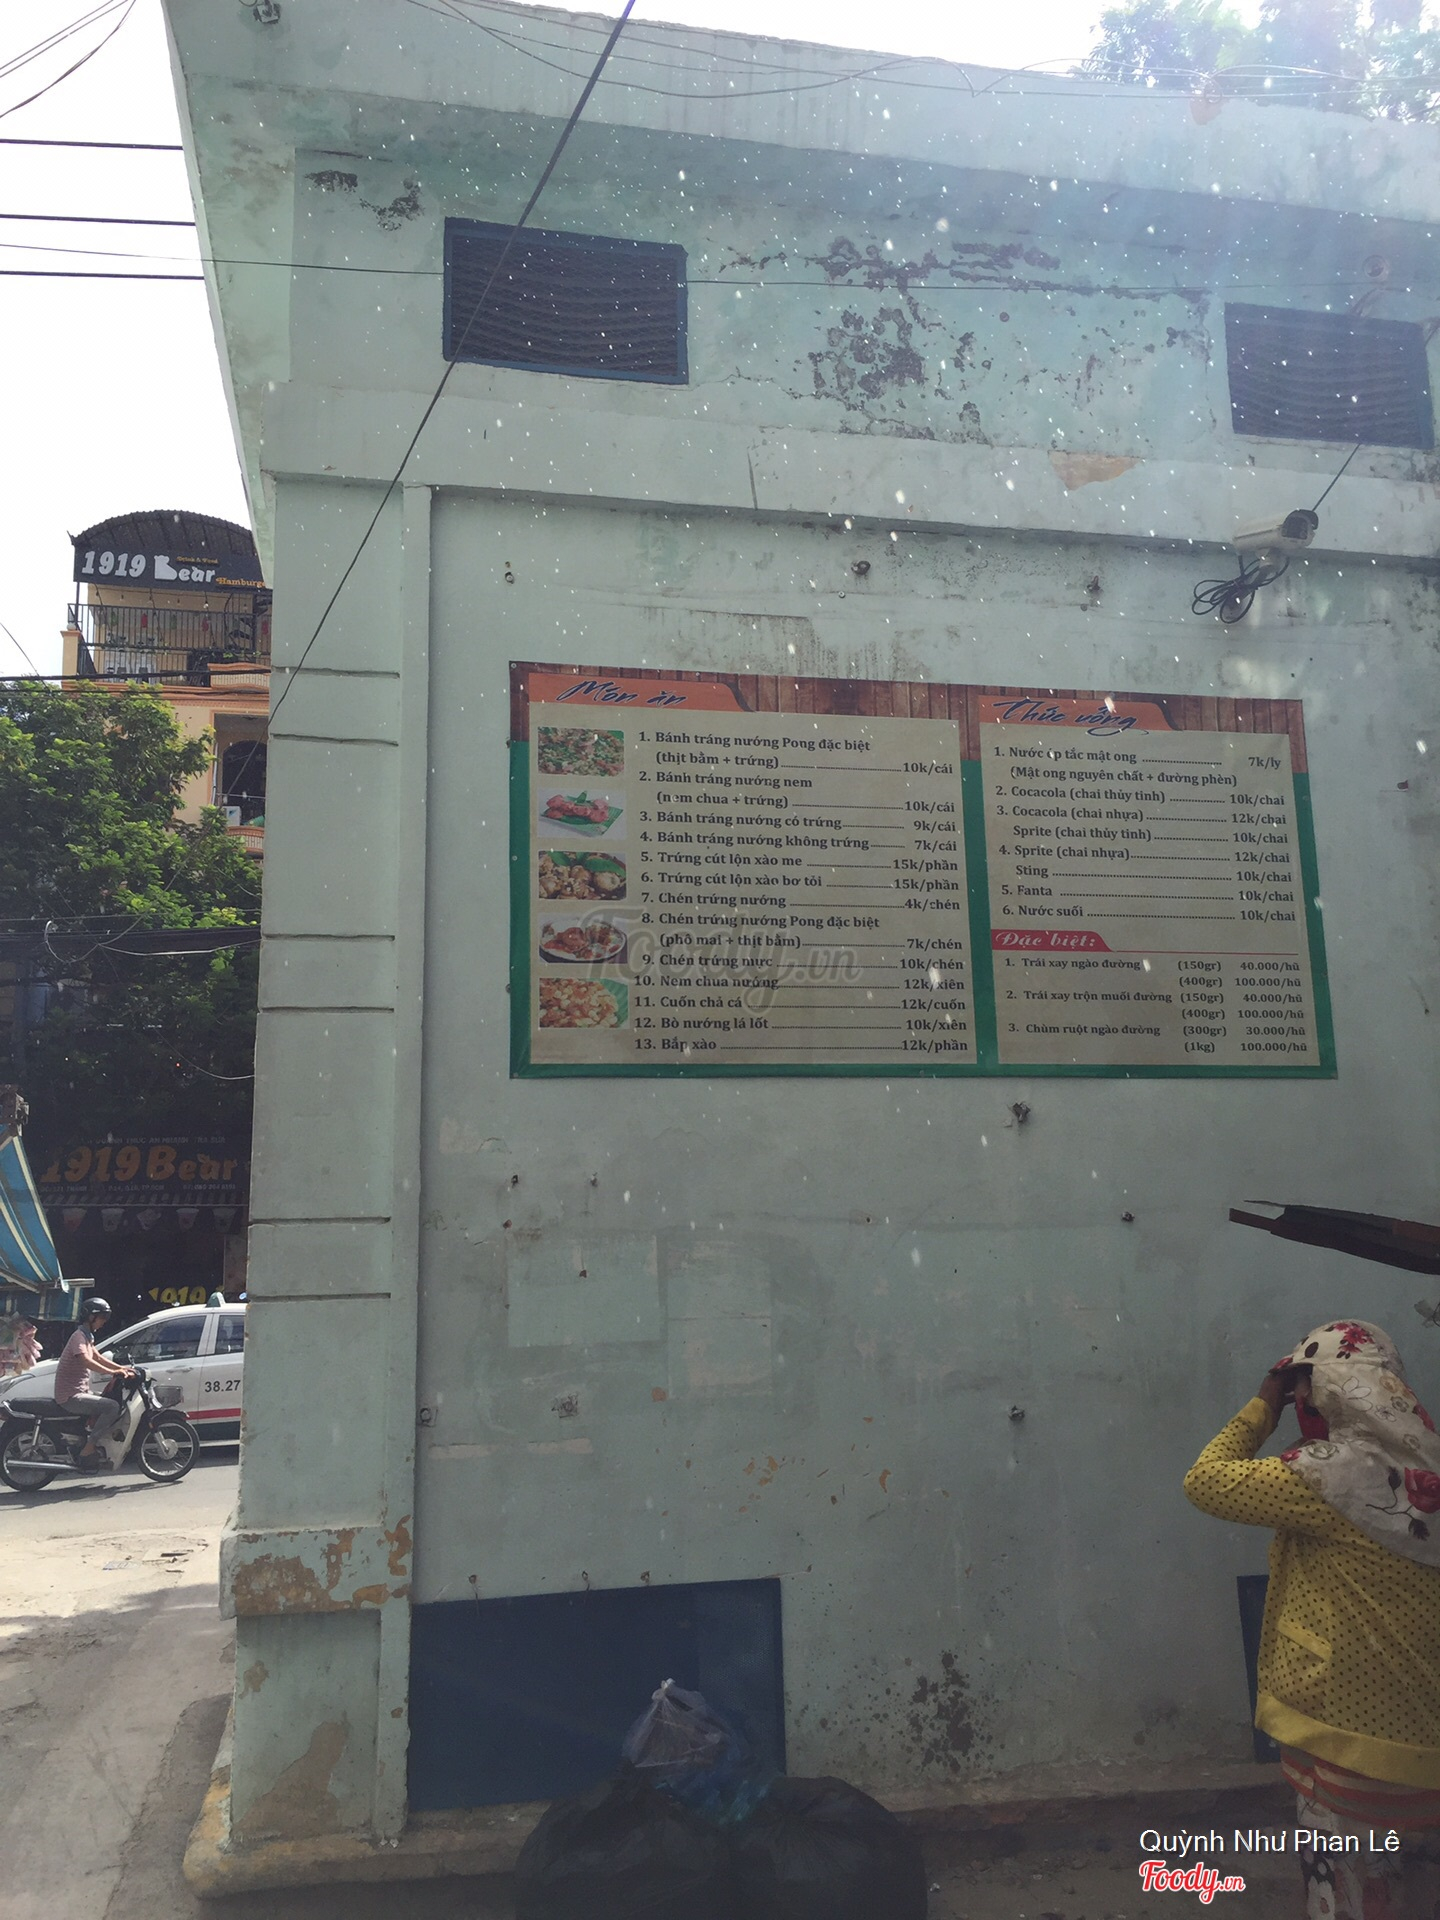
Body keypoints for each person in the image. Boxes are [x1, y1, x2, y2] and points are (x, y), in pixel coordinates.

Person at [1185, 1320, 1440, 1918]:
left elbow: (1205, 1481)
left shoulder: (1324, 1473)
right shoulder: (1428, 1469)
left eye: (1304, 1385)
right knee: (1396, 1868)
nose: (1300, 1397)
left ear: (1328, 1390)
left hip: (1342, 1727)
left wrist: (1264, 1405)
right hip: (1421, 1728)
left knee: (1342, 1877)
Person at [53, 1298, 133, 1469]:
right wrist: (112, 1372)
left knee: (110, 1401)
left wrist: (121, 1368)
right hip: (70, 1397)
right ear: (91, 1317)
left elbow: (98, 1357)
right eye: (102, 1317)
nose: (104, 1322)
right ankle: (89, 1447)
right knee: (112, 1407)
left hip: (79, 1392)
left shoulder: (87, 1336)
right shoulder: (78, 1337)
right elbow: (86, 1361)